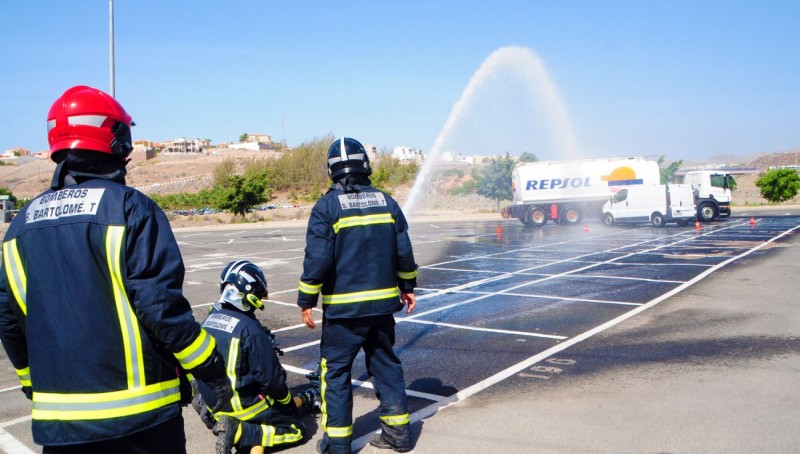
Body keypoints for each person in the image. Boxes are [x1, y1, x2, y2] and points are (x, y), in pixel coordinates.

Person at [0, 85, 232, 453]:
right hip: (140, 422)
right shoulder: (130, 209)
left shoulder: (20, 225)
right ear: (116, 139)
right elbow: (161, 309)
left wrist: (33, 382)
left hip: (59, 426)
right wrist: (211, 369)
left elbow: (9, 321)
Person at [297, 137, 419, 453]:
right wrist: (408, 287)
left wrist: (306, 299)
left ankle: (338, 446)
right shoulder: (388, 202)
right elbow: (404, 253)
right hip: (381, 311)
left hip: (343, 317)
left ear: (331, 170)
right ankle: (399, 436)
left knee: (335, 377)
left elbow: (318, 259)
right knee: (387, 368)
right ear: (366, 165)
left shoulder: (326, 207)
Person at [194, 260, 320, 453]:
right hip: (238, 405)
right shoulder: (250, 330)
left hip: (211, 399)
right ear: (249, 294)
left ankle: (216, 420)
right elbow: (271, 382)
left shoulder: (209, 318)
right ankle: (239, 431)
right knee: (296, 429)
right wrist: (287, 404)